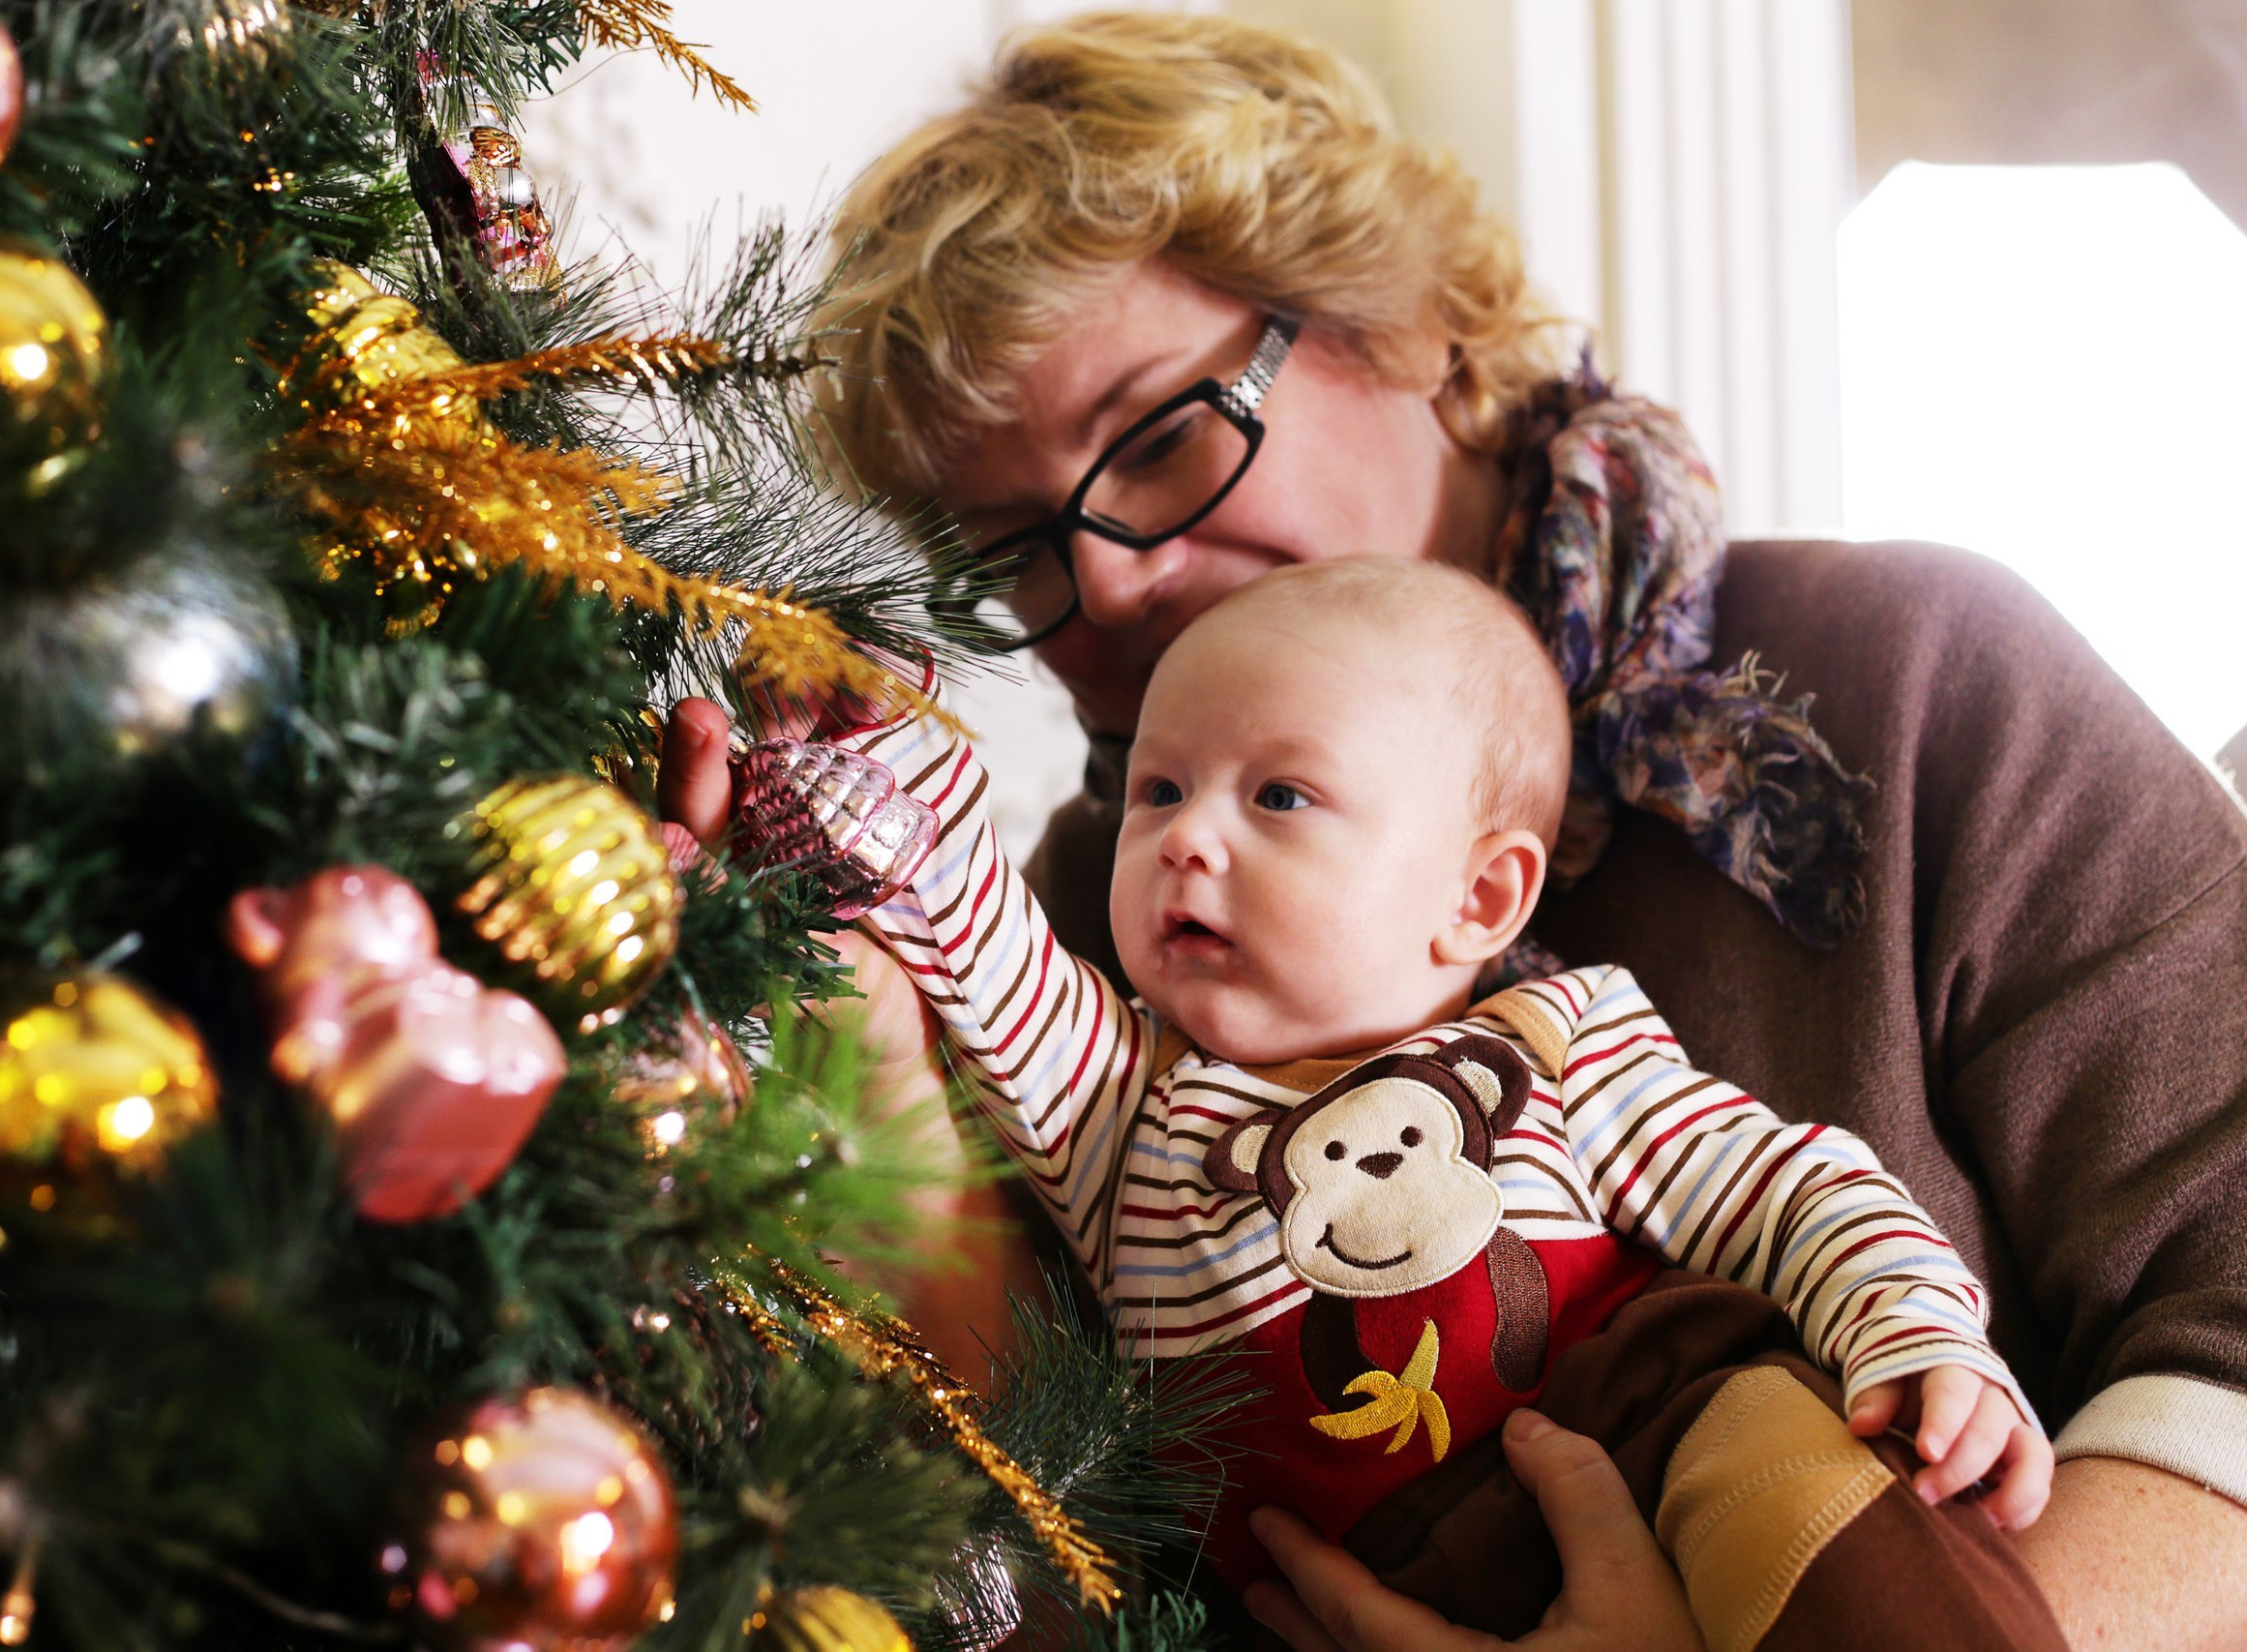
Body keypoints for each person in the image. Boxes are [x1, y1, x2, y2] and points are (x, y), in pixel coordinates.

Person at [664, 12, 2247, 1647]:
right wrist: (853, 1054)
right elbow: (1071, 1557)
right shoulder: (1089, 921)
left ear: (1397, 323)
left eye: (1161, 439)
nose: (1115, 577)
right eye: (1017, 546)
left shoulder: (1904, 675)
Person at [674, 556, 2060, 1648]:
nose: (1187, 837)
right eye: (1157, 790)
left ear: (1479, 897)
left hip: (1659, 1427)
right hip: (1329, 1601)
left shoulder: (1552, 1044)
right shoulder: (1120, 1113)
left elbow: (1783, 1183)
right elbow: (971, 923)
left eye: (1279, 795)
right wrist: (856, 760)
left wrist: (1911, 1327)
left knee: (1818, 1521)